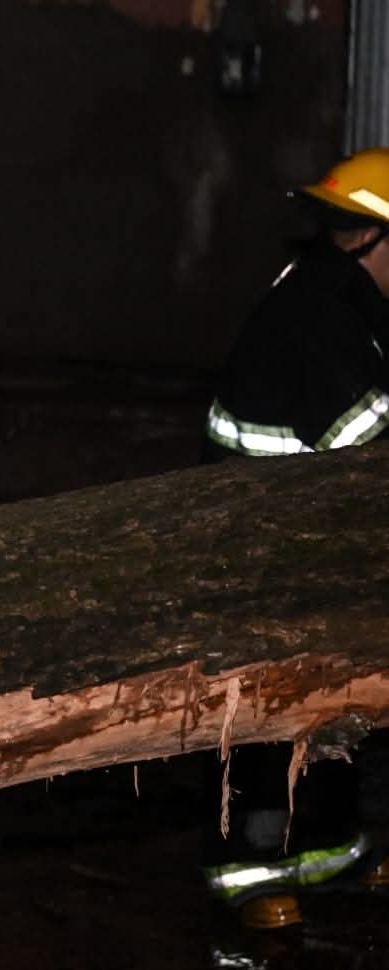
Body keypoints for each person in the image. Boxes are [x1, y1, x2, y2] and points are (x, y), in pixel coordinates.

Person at [199, 147, 389, 930]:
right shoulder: (320, 309)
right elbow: (361, 438)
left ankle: (336, 851)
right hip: (261, 548)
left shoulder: (348, 294)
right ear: (369, 238)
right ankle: (248, 875)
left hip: (305, 536)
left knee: (337, 705)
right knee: (270, 716)